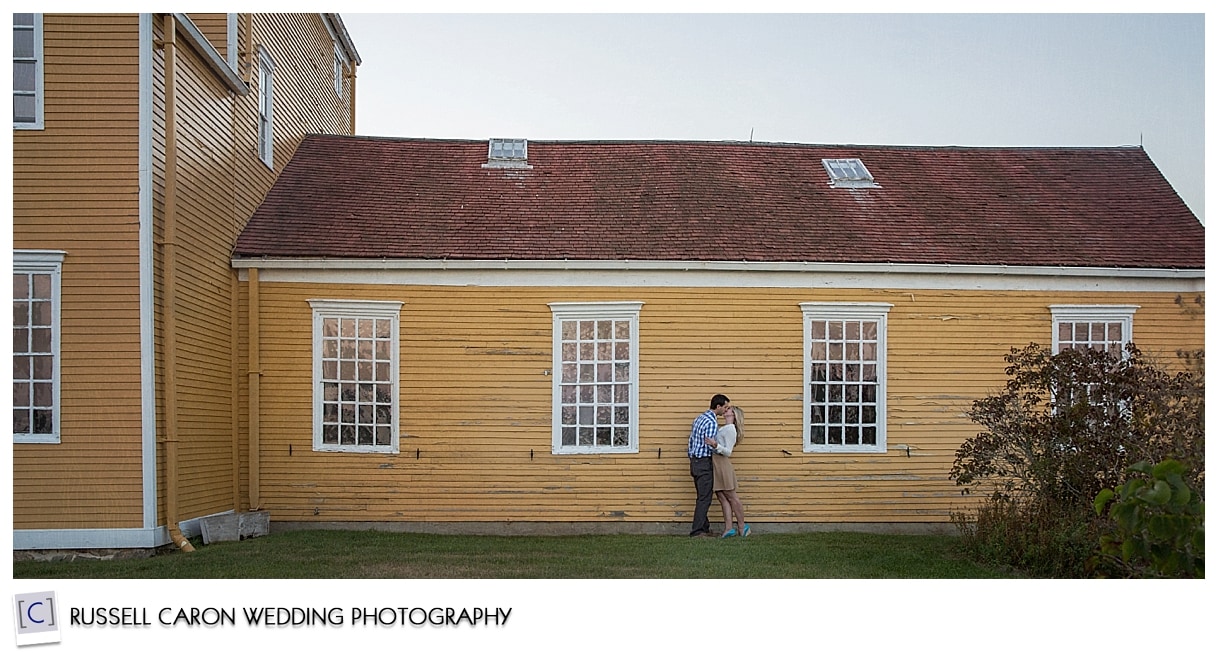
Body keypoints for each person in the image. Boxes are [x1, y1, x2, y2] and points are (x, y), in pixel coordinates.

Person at [687, 393, 730, 537]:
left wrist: (692, 458)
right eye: (725, 407)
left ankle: (704, 528)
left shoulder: (699, 418)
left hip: (695, 461)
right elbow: (711, 445)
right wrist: (722, 447)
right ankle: (697, 531)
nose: (726, 410)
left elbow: (691, 440)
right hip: (704, 462)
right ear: (718, 406)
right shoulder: (712, 423)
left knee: (701, 496)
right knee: (704, 498)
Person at [706, 406, 749, 537]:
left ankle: (742, 527)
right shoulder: (724, 428)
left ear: (733, 414)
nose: (726, 410)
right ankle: (729, 528)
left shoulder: (730, 429)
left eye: (729, 409)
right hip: (716, 462)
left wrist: (715, 445)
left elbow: (728, 451)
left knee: (731, 496)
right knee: (721, 496)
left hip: (722, 463)